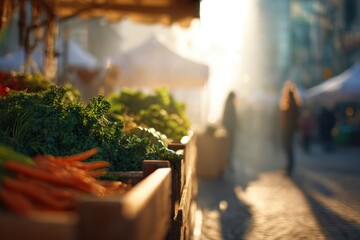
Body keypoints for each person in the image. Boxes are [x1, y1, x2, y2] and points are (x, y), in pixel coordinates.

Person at [278, 81, 302, 176]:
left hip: (288, 128)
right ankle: (289, 166)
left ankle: (289, 167)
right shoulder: (294, 104)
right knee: (288, 147)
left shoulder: (291, 105)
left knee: (288, 147)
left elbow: (290, 118)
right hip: (289, 128)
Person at [221, 91, 238, 171]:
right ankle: (228, 163)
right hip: (230, 129)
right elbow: (230, 118)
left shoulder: (228, 104)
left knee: (229, 147)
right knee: (230, 147)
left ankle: (228, 163)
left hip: (229, 129)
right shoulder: (230, 105)